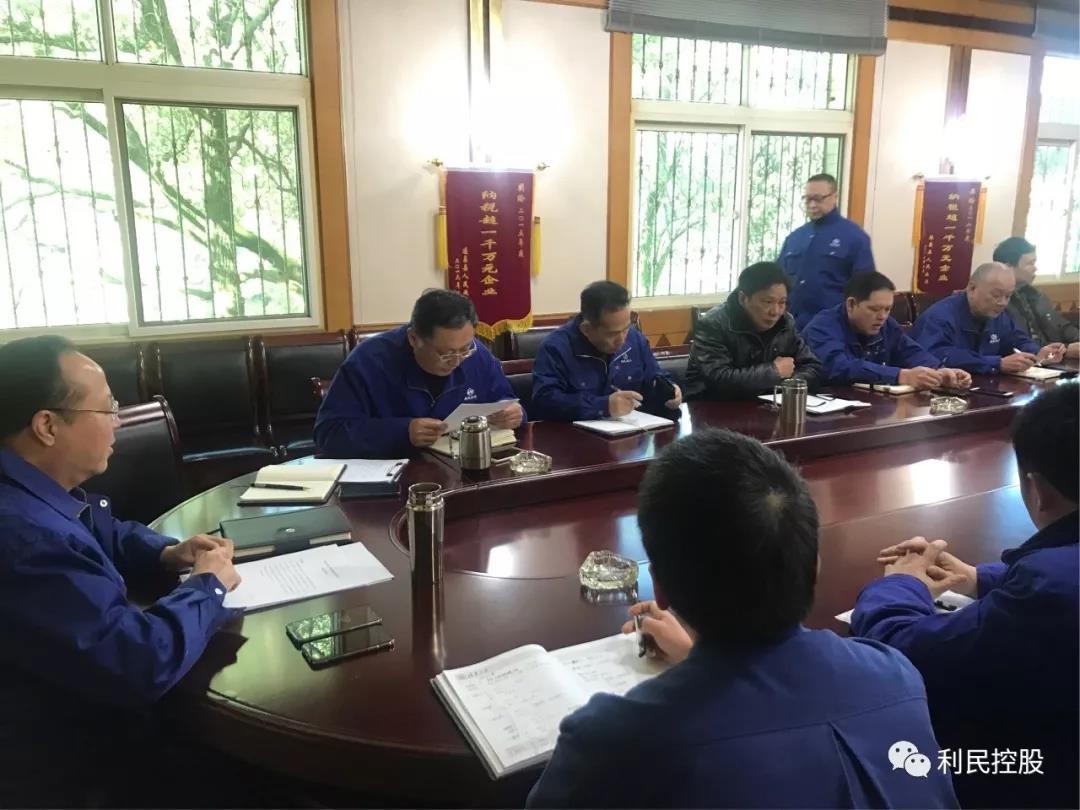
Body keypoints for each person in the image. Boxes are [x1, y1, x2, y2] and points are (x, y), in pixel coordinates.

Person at [527, 428, 958, 808]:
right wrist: (706, 663)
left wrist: (708, 670)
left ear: (659, 587)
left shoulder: (614, 741)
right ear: (815, 567)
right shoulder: (895, 675)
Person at [0, 336, 242, 806]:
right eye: (107, 407)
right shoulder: (25, 542)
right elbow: (140, 661)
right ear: (47, 426)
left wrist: (166, 553)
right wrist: (207, 586)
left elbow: (102, 531)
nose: (117, 421)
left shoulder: (29, 489)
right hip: (75, 766)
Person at [852, 383, 1078, 809]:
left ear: (1038, 490)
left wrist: (902, 584)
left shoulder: (1051, 592)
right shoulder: (1054, 581)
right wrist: (980, 578)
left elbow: (906, 653)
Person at [315, 289, 525, 458]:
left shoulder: (477, 354)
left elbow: (506, 400)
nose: (457, 360)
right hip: (398, 475)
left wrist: (514, 414)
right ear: (414, 339)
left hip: (462, 469)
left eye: (465, 349)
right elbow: (329, 433)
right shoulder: (369, 361)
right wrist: (402, 432)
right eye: (446, 353)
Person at [531, 281, 681, 421]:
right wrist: (603, 406)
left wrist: (671, 390)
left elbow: (655, 376)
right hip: (575, 436)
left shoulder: (635, 339)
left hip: (632, 432)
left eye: (626, 329)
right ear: (587, 329)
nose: (622, 340)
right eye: (613, 334)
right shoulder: (556, 348)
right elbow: (545, 401)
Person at [803, 271, 971, 390]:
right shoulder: (823, 326)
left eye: (887, 309)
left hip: (872, 408)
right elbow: (839, 368)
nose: (882, 316)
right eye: (874, 309)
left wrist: (939, 371)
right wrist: (901, 376)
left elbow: (910, 351)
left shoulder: (887, 325)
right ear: (851, 304)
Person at [684, 262, 823, 400]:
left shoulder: (785, 323)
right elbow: (719, 379)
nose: (775, 311)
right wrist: (775, 372)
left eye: (782, 302)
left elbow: (813, 367)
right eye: (767, 302)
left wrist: (786, 383)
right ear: (743, 298)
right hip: (711, 407)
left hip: (766, 405)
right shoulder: (713, 324)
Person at [910, 263, 1066, 374]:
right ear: (972, 288)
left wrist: (1038, 354)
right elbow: (937, 355)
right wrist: (996, 364)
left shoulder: (998, 315)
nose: (1003, 303)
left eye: (1008, 296)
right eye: (996, 295)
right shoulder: (939, 316)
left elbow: (1018, 340)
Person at [778, 173, 876, 330]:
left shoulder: (854, 237)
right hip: (792, 326)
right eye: (807, 199)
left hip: (832, 328)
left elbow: (865, 289)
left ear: (834, 197)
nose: (812, 205)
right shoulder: (795, 238)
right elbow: (778, 279)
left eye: (818, 199)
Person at [994, 236, 1079, 359]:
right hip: (1030, 361)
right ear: (1008, 267)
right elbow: (1019, 343)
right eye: (1030, 263)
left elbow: (1062, 327)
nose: (1035, 268)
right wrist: (1065, 350)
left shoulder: (1037, 295)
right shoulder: (998, 302)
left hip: (1054, 359)